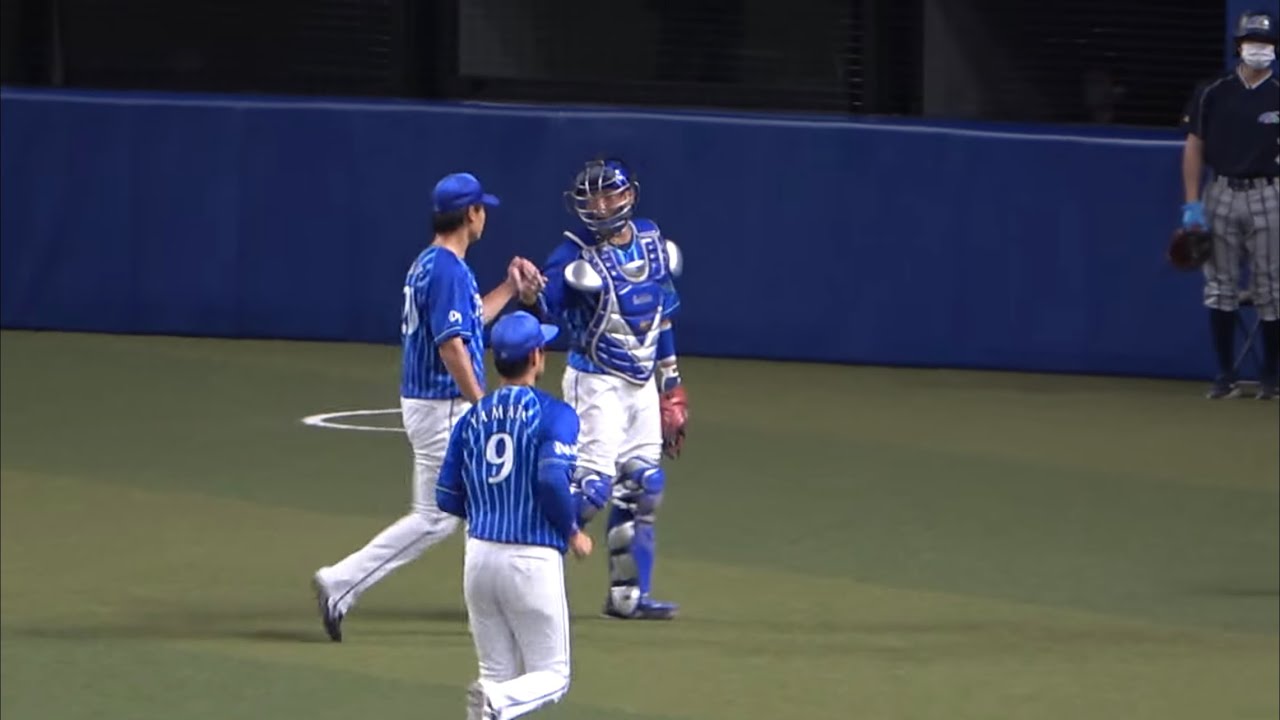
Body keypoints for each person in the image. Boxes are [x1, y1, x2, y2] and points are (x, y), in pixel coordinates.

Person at [311, 172, 540, 641]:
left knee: (477, 506)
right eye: (482, 209)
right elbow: (452, 345)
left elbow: (469, 319)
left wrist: (509, 288)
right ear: (471, 214)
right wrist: (482, 406)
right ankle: (341, 582)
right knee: (439, 517)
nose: (485, 216)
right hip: (444, 406)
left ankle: (498, 603)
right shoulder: (447, 270)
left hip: (430, 404)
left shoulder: (431, 263)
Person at [516, 157, 688, 620]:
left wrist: (671, 385)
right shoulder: (572, 254)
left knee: (644, 484)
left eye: (608, 196)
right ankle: (522, 570)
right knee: (592, 487)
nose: (599, 206)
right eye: (591, 199)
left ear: (628, 195)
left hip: (641, 382)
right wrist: (531, 295)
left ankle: (627, 596)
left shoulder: (652, 242)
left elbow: (661, 317)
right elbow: (548, 304)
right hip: (595, 381)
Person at [436, 311, 594, 720]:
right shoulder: (555, 414)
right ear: (537, 356)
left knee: (496, 674)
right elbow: (552, 479)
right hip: (531, 559)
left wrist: (489, 507)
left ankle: (494, 700)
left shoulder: (471, 418)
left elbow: (446, 496)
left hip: (478, 558)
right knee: (552, 675)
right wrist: (572, 530)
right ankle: (497, 702)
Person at [1179, 10, 1280, 399]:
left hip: (1269, 193)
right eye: (1253, 41)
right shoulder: (1213, 91)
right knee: (1219, 286)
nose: (1259, 49)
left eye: (1266, 43)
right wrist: (1192, 204)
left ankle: (1271, 377)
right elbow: (1194, 146)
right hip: (1220, 190)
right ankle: (1225, 375)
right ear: (1239, 46)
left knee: (1271, 289)